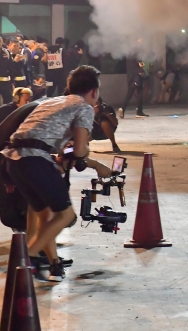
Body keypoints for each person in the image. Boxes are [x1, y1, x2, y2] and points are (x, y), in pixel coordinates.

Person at [1, 65, 112, 281]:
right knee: (66, 215)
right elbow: (79, 150)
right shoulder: (84, 107)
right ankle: (26, 258)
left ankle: (54, 265)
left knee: (44, 215)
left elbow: (51, 144)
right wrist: (87, 157)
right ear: (94, 92)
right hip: (33, 158)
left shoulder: (52, 102)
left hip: (11, 158)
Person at [0, 38, 12, 104]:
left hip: (5, 83)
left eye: (0, 42)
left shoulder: (7, 52)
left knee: (8, 101)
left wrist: (12, 81)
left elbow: (11, 67)